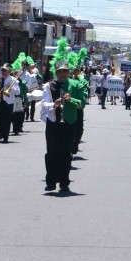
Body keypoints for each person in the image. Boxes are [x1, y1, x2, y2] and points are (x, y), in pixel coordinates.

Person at [41, 55, 85, 192]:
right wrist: (53, 105)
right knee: (52, 153)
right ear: (56, 72)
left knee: (66, 154)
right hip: (53, 123)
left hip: (69, 123)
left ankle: (64, 182)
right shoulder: (49, 86)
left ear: (68, 72)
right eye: (59, 71)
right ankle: (51, 181)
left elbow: (82, 103)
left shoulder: (76, 85)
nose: (62, 74)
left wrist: (71, 100)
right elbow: (43, 105)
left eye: (64, 71)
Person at [0, 63, 19, 143]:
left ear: (9, 71)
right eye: (2, 70)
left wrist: (10, 88)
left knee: (7, 120)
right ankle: (1, 131)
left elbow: (17, 92)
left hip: (8, 102)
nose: (3, 72)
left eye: (5, 70)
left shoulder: (13, 79)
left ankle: (5, 136)